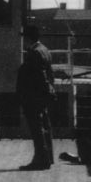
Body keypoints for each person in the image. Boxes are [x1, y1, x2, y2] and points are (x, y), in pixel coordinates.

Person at [16, 25, 55, 170]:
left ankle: (40, 161)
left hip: (33, 97)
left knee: (37, 129)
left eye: (24, 37)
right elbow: (50, 74)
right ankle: (48, 158)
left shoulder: (34, 53)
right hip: (43, 96)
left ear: (28, 38)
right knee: (45, 127)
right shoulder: (44, 50)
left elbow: (35, 77)